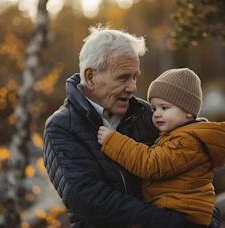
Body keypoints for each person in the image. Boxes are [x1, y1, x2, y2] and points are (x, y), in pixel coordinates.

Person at [42, 26, 192, 227]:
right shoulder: (61, 127)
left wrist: (205, 216)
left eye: (135, 77)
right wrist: (173, 223)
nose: (133, 87)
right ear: (90, 77)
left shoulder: (148, 115)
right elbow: (90, 201)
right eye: (123, 77)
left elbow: (192, 169)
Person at [97, 68, 225, 227]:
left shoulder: (187, 142)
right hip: (175, 212)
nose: (156, 114)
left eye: (164, 108)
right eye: (154, 108)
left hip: (183, 216)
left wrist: (113, 141)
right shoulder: (178, 136)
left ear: (188, 112)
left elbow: (151, 164)